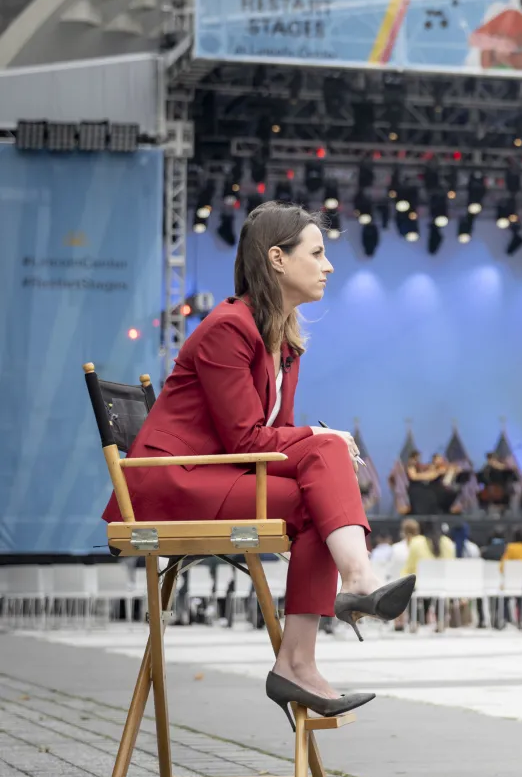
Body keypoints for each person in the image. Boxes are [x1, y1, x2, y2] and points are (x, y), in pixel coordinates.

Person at [102, 202, 413, 725]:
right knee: (326, 448)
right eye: (316, 253)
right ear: (276, 258)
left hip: (218, 475)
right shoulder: (227, 327)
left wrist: (320, 445)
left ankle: (296, 663)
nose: (328, 265)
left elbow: (273, 450)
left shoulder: (283, 343)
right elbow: (247, 438)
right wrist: (323, 440)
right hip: (170, 485)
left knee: (319, 494)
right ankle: (357, 582)